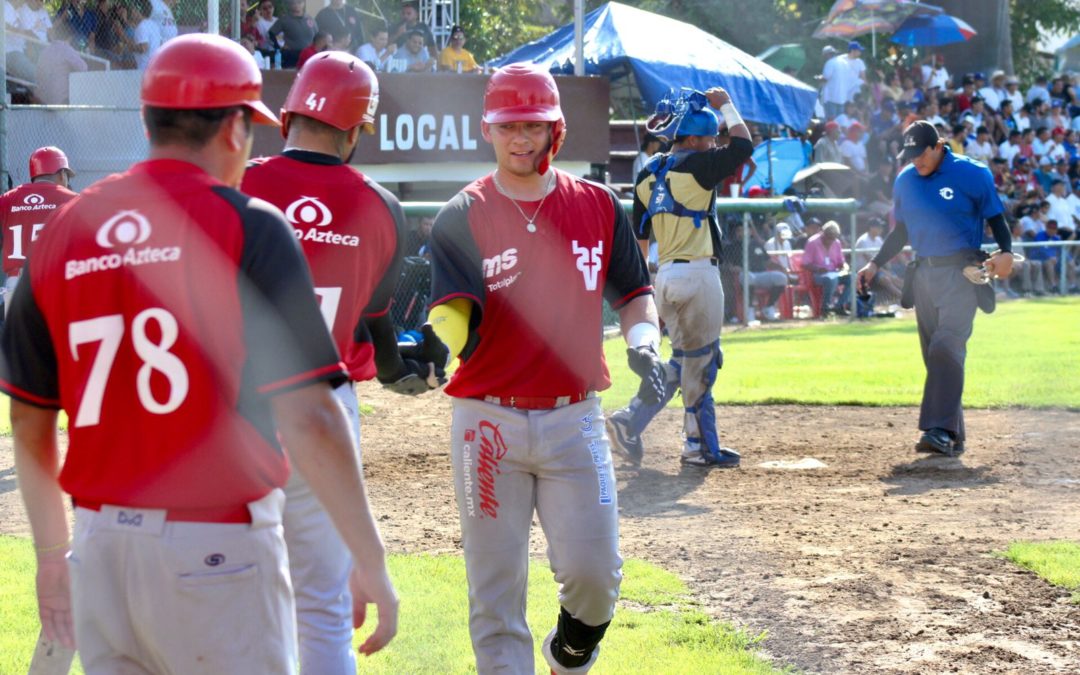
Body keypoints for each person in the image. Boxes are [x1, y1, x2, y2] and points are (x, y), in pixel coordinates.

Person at [0, 34, 397, 672]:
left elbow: (29, 419)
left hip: (100, 549)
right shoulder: (249, 224)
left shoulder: (67, 229)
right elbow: (312, 419)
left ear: (149, 118)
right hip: (217, 545)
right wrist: (370, 562)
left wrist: (52, 556)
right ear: (237, 129)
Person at [424, 63, 659, 674]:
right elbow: (450, 314)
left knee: (596, 576)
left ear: (555, 128)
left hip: (574, 417)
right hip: (487, 424)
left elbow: (634, 292)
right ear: (488, 131)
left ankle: (568, 655)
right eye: (508, 127)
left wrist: (645, 343)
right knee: (495, 587)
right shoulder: (464, 212)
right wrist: (433, 340)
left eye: (532, 126)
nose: (520, 139)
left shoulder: (599, 206)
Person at [241, 52, 439, 675]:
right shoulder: (380, 207)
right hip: (329, 411)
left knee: (236, 595)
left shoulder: (238, 182)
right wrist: (399, 368)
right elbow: (375, 330)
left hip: (235, 412)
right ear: (356, 131)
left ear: (290, 113)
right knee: (324, 607)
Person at [607, 86, 753, 469]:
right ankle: (699, 445)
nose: (711, 144)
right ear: (690, 138)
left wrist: (644, 290)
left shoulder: (647, 173)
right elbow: (743, 146)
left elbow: (639, 240)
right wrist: (726, 106)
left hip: (664, 278)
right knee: (704, 363)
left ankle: (630, 419)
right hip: (698, 274)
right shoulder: (698, 166)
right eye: (706, 137)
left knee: (685, 360)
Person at [857, 120, 1013, 457]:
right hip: (924, 276)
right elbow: (901, 231)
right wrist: (875, 263)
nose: (916, 161)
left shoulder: (973, 174)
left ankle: (938, 430)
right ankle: (953, 432)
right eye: (910, 156)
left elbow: (997, 218)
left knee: (946, 346)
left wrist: (1006, 252)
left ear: (937, 146)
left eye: (921, 154)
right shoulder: (906, 180)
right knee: (937, 356)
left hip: (962, 273)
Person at [0, 146, 78, 314]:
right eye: (66, 176)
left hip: (16, 287)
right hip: (56, 284)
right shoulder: (73, 200)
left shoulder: (6, 200)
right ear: (61, 173)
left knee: (19, 341)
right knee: (54, 340)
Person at [34, 19, 88, 104]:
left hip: (42, 100)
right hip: (59, 101)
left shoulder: (44, 51)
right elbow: (84, 68)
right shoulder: (67, 49)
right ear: (70, 37)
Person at [803, 220, 851, 316]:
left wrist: (844, 267)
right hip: (818, 275)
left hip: (835, 272)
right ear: (823, 233)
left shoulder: (837, 243)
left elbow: (841, 262)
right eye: (828, 237)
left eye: (832, 238)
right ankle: (825, 308)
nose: (830, 240)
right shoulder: (812, 242)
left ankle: (840, 306)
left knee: (852, 277)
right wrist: (818, 269)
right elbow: (805, 263)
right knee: (831, 279)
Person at [269, 0, 316, 69]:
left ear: (304, 3)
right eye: (293, 3)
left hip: (308, 55)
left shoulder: (310, 19)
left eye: (299, 2)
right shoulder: (284, 19)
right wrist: (280, 45)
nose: (296, 5)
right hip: (292, 56)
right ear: (290, 5)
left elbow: (317, 36)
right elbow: (271, 33)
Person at [129, 0, 161, 70]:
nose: (131, 13)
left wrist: (131, 47)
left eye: (133, 10)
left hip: (143, 68)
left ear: (138, 11)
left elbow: (143, 48)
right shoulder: (154, 24)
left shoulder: (142, 26)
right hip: (153, 66)